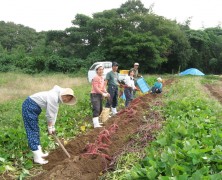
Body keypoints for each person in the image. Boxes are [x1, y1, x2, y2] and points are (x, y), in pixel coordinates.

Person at [22, 85, 76, 165]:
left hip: (33, 108)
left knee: (35, 130)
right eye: (68, 98)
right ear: (65, 95)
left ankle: (39, 153)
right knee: (32, 131)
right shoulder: (53, 97)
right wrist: (50, 127)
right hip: (29, 106)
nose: (67, 100)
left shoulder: (57, 98)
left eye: (69, 100)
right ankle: (37, 158)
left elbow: (54, 113)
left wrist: (52, 126)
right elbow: (50, 115)